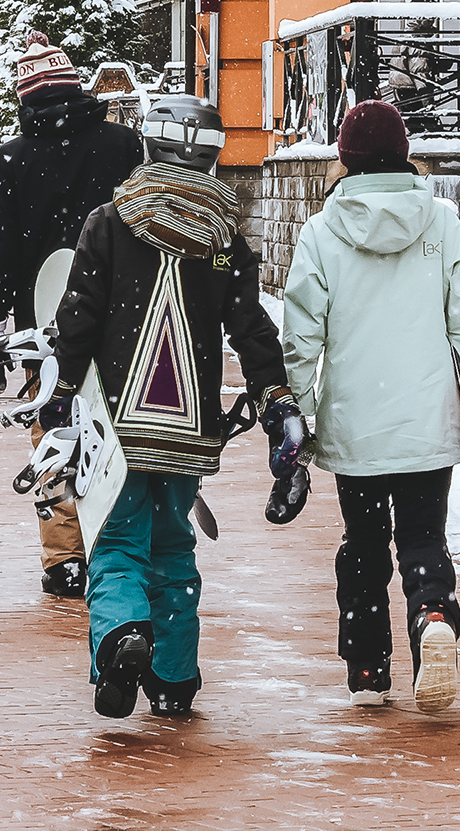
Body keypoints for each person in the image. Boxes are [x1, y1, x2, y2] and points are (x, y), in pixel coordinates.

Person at [41, 94, 297, 719]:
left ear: (150, 145)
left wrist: (62, 392)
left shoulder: (110, 221)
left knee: (116, 540)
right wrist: (272, 393)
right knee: (174, 546)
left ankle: (123, 635)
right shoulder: (223, 235)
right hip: (188, 424)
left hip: (117, 420)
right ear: (211, 156)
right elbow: (249, 324)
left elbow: (78, 316)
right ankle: (175, 678)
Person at [279, 101, 460, 714]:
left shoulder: (322, 232)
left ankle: (369, 662)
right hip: (429, 420)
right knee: (425, 535)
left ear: (345, 158)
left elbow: (302, 334)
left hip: (356, 423)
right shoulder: (444, 222)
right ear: (403, 153)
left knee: (364, 543)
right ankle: (431, 613)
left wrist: (300, 407)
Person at [0, 34, 146, 599]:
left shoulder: (13, 158)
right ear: (77, 87)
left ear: (24, 98)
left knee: (52, 426)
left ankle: (65, 555)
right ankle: (116, 541)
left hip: (42, 321)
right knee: (117, 426)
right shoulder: (123, 146)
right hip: (122, 311)